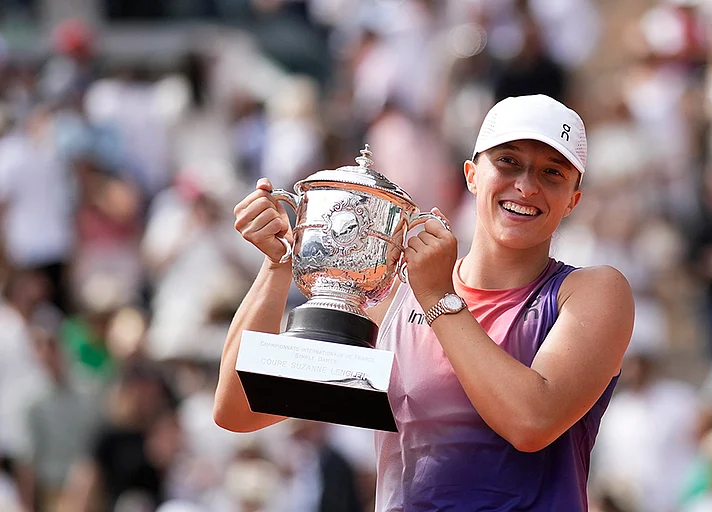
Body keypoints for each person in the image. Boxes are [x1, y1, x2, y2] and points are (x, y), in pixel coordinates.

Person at [213, 94, 635, 511]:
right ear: (471, 175)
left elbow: (531, 422)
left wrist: (438, 298)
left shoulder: (593, 291)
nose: (526, 186)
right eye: (508, 162)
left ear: (573, 200)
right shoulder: (393, 296)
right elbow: (239, 409)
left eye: (552, 172)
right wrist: (279, 262)